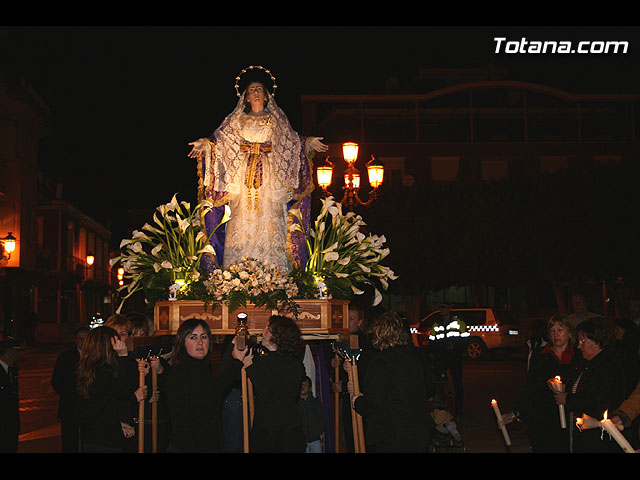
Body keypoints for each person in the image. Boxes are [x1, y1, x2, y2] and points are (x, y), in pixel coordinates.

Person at [188, 66, 328, 274]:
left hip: (270, 177)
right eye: (251, 89)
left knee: (270, 216)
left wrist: (307, 143)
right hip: (243, 176)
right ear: (245, 96)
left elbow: (291, 141)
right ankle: (238, 272)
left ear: (266, 95)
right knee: (241, 217)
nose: (255, 92)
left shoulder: (276, 120)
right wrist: (207, 145)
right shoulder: (236, 120)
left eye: (259, 89)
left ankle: (274, 273)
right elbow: (221, 141)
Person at [345, 310, 436, 453]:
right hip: (418, 429)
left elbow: (375, 401)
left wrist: (357, 401)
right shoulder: (414, 357)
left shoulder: (382, 362)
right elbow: (429, 385)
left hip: (393, 433)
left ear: (379, 333)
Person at [164, 318, 247, 452]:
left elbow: (216, 389)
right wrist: (236, 361)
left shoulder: (201, 368)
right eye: (193, 337)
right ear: (182, 342)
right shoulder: (180, 373)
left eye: (204, 336)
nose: (200, 342)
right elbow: (182, 425)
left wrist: (236, 358)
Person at [502, 314, 579, 452]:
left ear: (570, 332)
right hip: (543, 417)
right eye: (552, 331)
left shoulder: (578, 356)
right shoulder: (541, 355)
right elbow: (530, 386)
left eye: (560, 330)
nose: (556, 335)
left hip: (570, 417)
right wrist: (516, 412)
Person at [550, 319, 626, 452]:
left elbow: (600, 398)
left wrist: (568, 399)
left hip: (598, 438)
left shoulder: (608, 367)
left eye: (583, 342)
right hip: (582, 434)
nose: (579, 346)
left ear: (597, 341)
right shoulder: (585, 364)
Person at [74, 326, 148, 453]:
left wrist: (119, 424)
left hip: (95, 437)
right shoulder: (102, 372)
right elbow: (123, 391)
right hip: (105, 441)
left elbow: (104, 405)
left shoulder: (89, 371)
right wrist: (123, 355)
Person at [241, 315, 306, 452]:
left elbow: (269, 395)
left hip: (277, 432)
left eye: (267, 329)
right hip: (279, 430)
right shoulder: (293, 363)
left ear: (278, 336)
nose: (262, 332)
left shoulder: (286, 365)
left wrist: (249, 367)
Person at [51, 326, 89, 452]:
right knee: (69, 442)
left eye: (86, 339)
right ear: (75, 340)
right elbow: (56, 381)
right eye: (80, 339)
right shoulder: (65, 357)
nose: (83, 342)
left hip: (88, 407)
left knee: (88, 441)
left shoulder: (94, 356)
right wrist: (69, 394)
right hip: (69, 406)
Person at [426, 304, 467, 416]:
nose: (442, 310)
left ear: (449, 309)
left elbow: (465, 339)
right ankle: (440, 407)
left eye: (444, 308)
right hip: (442, 356)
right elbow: (432, 340)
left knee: (457, 383)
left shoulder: (458, 322)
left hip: (454, 356)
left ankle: (458, 409)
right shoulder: (437, 323)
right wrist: (432, 352)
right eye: (440, 308)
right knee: (438, 382)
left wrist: (455, 346)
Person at [0, 340, 20, 453]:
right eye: (15, 353)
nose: (17, 356)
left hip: (11, 422)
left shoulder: (12, 370)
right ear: (7, 354)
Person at [298, 375, 327, 453]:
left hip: (315, 440)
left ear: (310, 388)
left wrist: (321, 431)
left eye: (305, 384)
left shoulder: (316, 403)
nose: (303, 387)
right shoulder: (294, 404)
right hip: (300, 441)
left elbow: (322, 418)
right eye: (301, 384)